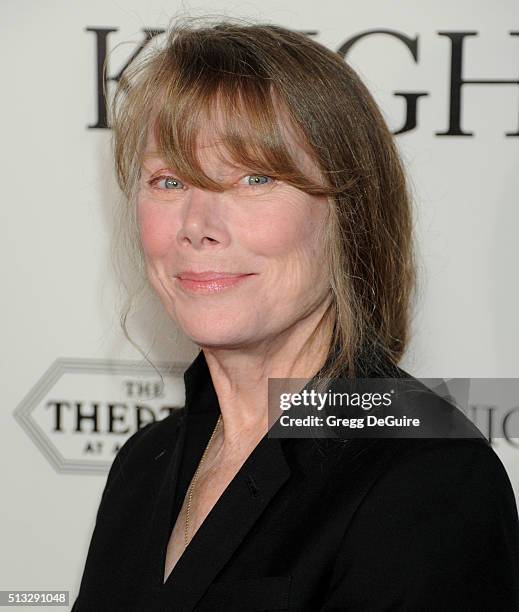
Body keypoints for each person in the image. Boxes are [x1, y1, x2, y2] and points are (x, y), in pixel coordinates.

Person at [72, 18, 519, 611]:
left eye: (255, 178)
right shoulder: (143, 465)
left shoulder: (432, 478)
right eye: (170, 179)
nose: (198, 227)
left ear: (349, 216)